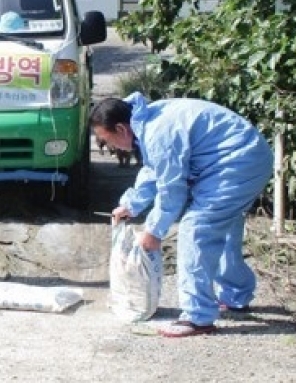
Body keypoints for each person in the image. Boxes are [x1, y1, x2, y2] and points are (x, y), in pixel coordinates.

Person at [89, 92, 272, 337]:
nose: (110, 148)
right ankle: (236, 295)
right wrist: (131, 204)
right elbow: (155, 169)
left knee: (196, 229)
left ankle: (198, 317)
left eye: (106, 140)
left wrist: (154, 231)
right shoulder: (149, 121)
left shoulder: (157, 132)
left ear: (120, 128)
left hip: (234, 165)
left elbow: (171, 188)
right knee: (223, 228)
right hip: (247, 158)